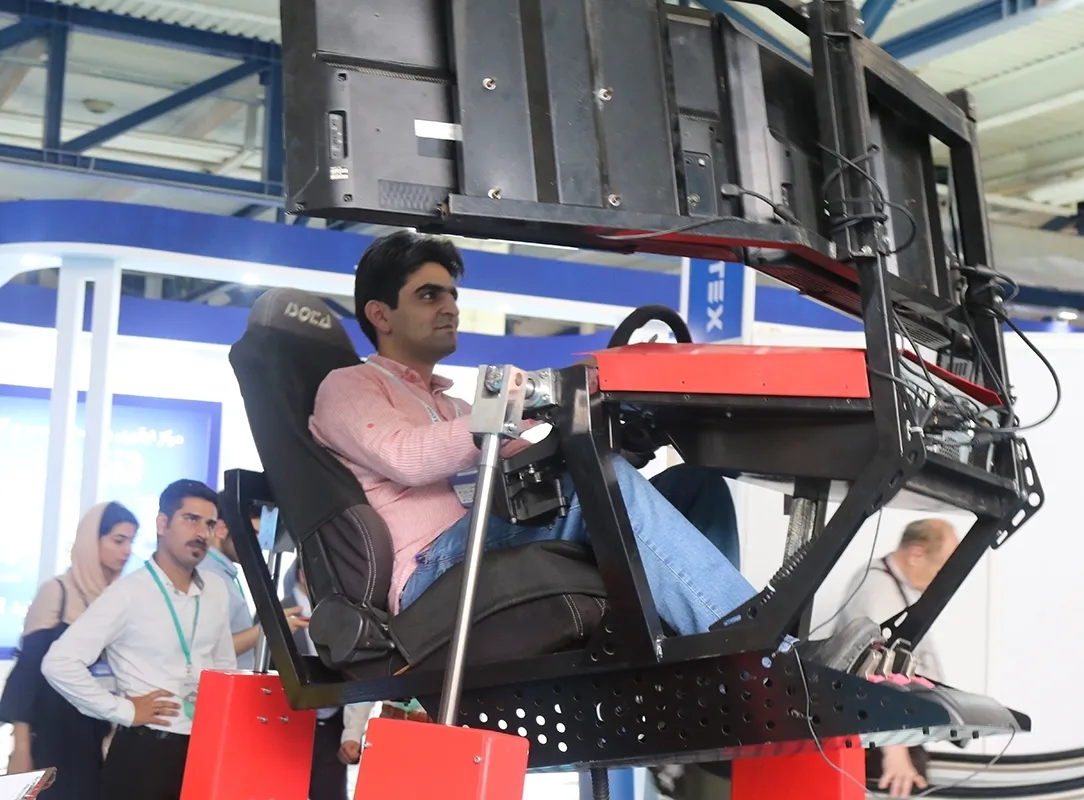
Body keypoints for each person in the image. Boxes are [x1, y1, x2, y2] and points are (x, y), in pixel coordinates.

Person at [308, 231, 758, 637]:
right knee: (594, 485)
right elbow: (405, 457)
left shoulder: (455, 407)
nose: (450, 308)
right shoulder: (349, 386)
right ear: (380, 315)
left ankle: (699, 651)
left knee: (696, 486)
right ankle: (749, 645)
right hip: (430, 567)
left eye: (452, 295)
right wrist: (542, 391)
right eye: (429, 295)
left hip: (487, 535)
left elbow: (541, 462)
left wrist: (623, 438)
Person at [42, 480, 237, 800]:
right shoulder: (128, 592)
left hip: (204, 747)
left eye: (210, 523)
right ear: (162, 523)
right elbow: (59, 662)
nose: (202, 532)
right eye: (191, 519)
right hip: (145, 752)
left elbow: (225, 665)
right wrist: (123, 710)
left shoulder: (215, 589)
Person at [0, 502, 137, 799]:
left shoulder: (118, 599)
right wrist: (21, 749)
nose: (126, 551)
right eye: (118, 540)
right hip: (51, 735)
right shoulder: (57, 593)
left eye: (131, 542)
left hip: (95, 734)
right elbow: (27, 676)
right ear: (92, 541)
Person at [833, 518, 959, 798]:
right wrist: (895, 750)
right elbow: (874, 672)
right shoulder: (877, 591)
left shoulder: (897, 587)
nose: (945, 580)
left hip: (899, 729)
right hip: (880, 737)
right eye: (943, 568)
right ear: (916, 555)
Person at [281, 562, 372, 800]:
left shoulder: (347, 617)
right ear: (303, 573)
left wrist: (352, 732)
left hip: (333, 729)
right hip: (286, 728)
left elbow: (359, 674)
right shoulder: (277, 613)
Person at [199, 494, 308, 670]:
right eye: (254, 533)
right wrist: (270, 629)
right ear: (221, 530)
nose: (258, 545)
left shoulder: (222, 574)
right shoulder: (209, 575)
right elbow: (207, 650)